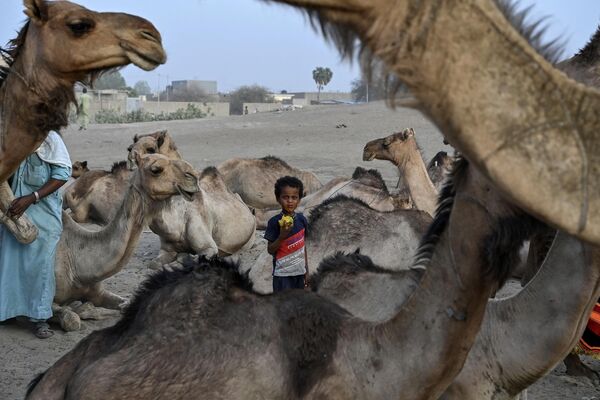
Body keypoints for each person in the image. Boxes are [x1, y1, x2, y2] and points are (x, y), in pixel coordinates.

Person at [0, 131, 72, 338]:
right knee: (9, 264)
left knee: (40, 268)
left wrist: (32, 197)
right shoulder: (15, 139)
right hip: (13, 218)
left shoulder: (51, 141)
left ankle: (39, 318)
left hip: (44, 218)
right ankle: (7, 312)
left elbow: (62, 175)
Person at [264, 176, 309, 292]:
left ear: (299, 200)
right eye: (285, 197)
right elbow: (270, 250)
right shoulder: (274, 222)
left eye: (294, 197)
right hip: (282, 275)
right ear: (278, 198)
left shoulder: (302, 220)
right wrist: (282, 236)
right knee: (282, 307)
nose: (290, 201)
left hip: (299, 273)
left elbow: (303, 248)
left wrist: (306, 271)